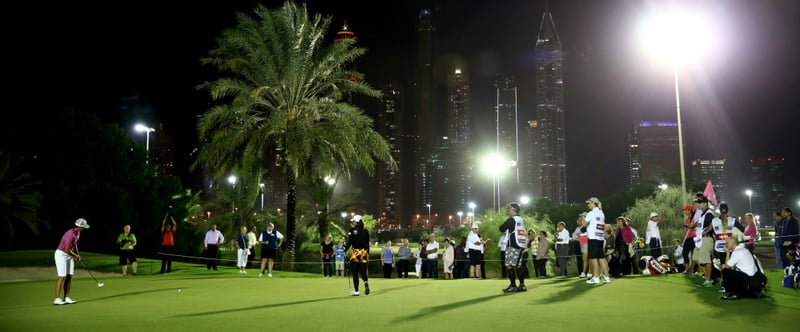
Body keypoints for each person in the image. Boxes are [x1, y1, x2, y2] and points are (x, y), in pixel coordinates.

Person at [54, 218, 90, 305]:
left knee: (69, 276)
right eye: (83, 227)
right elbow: (66, 250)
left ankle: (66, 297)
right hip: (61, 255)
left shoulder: (78, 232)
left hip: (69, 255)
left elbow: (75, 244)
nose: (84, 228)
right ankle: (57, 299)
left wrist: (78, 254)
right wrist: (75, 256)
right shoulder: (70, 234)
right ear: (79, 226)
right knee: (62, 276)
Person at [499, 202, 528, 292]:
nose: (509, 211)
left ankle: (513, 286)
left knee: (509, 265)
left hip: (512, 245)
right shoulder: (521, 220)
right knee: (518, 266)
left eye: (510, 210)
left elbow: (501, 228)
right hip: (521, 245)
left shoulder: (512, 220)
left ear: (514, 210)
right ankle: (522, 285)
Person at [584, 197, 610, 284]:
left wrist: (584, 218)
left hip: (593, 238)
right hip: (600, 238)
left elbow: (584, 224)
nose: (588, 205)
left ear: (593, 203)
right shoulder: (601, 213)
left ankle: (596, 278)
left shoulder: (590, 213)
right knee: (601, 258)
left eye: (589, 203)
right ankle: (606, 277)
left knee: (594, 258)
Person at [711, 202, 736, 292]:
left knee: (723, 266)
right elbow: (742, 230)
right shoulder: (733, 220)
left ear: (719, 210)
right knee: (732, 265)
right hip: (730, 246)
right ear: (727, 210)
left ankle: (724, 285)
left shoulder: (714, 221)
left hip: (719, 247)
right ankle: (732, 284)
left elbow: (707, 231)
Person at [693, 196, 716, 288]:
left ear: (705, 204)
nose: (698, 205)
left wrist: (705, 232)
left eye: (700, 203)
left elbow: (712, 224)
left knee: (706, 261)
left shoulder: (709, 213)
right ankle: (708, 277)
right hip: (700, 240)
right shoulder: (703, 214)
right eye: (698, 203)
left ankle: (708, 280)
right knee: (696, 258)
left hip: (706, 239)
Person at [345, 215, 371, 296]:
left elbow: (350, 242)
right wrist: (368, 253)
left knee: (355, 272)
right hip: (363, 251)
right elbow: (367, 243)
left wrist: (345, 250)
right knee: (363, 271)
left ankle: (357, 291)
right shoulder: (365, 231)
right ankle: (366, 283)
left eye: (354, 221)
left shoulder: (352, 230)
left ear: (356, 222)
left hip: (355, 252)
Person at [681, 204, 696, 274]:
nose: (685, 211)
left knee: (694, 254)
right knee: (684, 253)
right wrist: (684, 238)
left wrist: (689, 226)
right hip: (687, 238)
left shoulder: (694, 218)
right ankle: (686, 269)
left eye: (686, 210)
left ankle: (692, 269)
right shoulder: (687, 220)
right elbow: (686, 231)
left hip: (693, 238)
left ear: (689, 210)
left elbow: (694, 227)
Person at [572, 213, 589, 278]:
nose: (578, 222)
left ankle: (587, 272)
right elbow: (574, 236)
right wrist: (577, 235)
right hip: (579, 244)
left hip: (585, 242)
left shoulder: (586, 227)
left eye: (580, 220)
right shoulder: (577, 228)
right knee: (581, 259)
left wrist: (579, 235)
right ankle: (582, 272)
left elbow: (581, 235)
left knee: (586, 259)